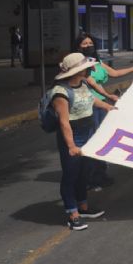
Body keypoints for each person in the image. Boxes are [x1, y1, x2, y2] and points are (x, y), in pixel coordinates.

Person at [51, 52, 115, 230]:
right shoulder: (61, 93)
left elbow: (91, 99)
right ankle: (72, 214)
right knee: (71, 175)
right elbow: (64, 122)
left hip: (88, 134)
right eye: (87, 68)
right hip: (73, 136)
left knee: (84, 173)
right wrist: (71, 145)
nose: (90, 70)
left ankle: (83, 207)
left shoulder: (83, 84)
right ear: (77, 71)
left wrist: (109, 106)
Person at [75, 33, 133, 189]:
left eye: (90, 43)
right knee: (93, 139)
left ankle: (100, 173)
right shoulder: (78, 63)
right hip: (89, 104)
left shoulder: (96, 62)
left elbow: (115, 73)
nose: (88, 46)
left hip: (102, 104)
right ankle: (90, 178)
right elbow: (90, 82)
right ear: (78, 46)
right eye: (84, 43)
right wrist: (108, 95)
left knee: (102, 137)